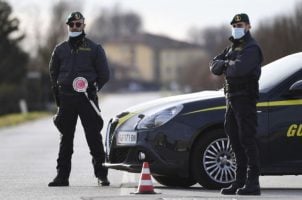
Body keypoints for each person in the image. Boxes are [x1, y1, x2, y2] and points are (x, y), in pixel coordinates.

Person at [48, 11, 110, 187]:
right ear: (68, 26)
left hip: (86, 98)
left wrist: (93, 88)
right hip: (66, 98)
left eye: (78, 24)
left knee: (93, 138)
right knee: (65, 139)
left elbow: (104, 74)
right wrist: (58, 97)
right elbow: (53, 74)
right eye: (71, 24)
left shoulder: (95, 48)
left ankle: (102, 175)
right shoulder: (60, 50)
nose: (74, 27)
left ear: (83, 25)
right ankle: (62, 177)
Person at [209, 13, 263, 195]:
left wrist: (225, 65)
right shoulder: (233, 46)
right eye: (234, 25)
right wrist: (226, 63)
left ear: (248, 26)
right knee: (234, 138)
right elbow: (214, 66)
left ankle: (253, 183)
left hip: (245, 98)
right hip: (231, 98)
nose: (237, 28)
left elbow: (238, 70)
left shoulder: (252, 47)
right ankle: (239, 181)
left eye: (240, 25)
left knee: (247, 138)